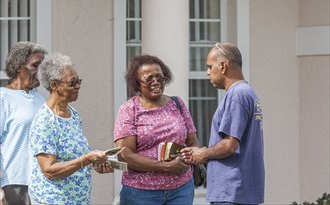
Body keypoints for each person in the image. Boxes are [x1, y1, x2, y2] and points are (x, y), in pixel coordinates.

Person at [182, 43, 265, 205]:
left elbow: (229, 145)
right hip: (242, 191)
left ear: (223, 66)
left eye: (209, 66)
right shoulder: (247, 92)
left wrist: (203, 154)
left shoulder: (237, 95)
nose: (207, 72)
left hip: (231, 191)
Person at [114, 54, 200, 205]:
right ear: (137, 83)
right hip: (141, 193)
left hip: (181, 189)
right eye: (149, 78)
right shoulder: (129, 109)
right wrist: (166, 167)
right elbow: (124, 155)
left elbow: (193, 142)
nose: (156, 82)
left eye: (159, 77)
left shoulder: (177, 104)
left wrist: (187, 156)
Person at [29, 53, 114, 204]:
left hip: (78, 200)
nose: (78, 86)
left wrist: (95, 163)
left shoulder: (73, 114)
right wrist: (86, 159)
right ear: (54, 86)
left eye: (78, 81)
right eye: (72, 82)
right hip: (54, 200)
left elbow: (74, 157)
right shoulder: (45, 121)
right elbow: (49, 170)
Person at [0, 41, 47, 205]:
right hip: (15, 182)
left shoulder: (41, 99)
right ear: (19, 66)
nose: (40, 71)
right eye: (36, 65)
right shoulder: (3, 97)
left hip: (42, 182)